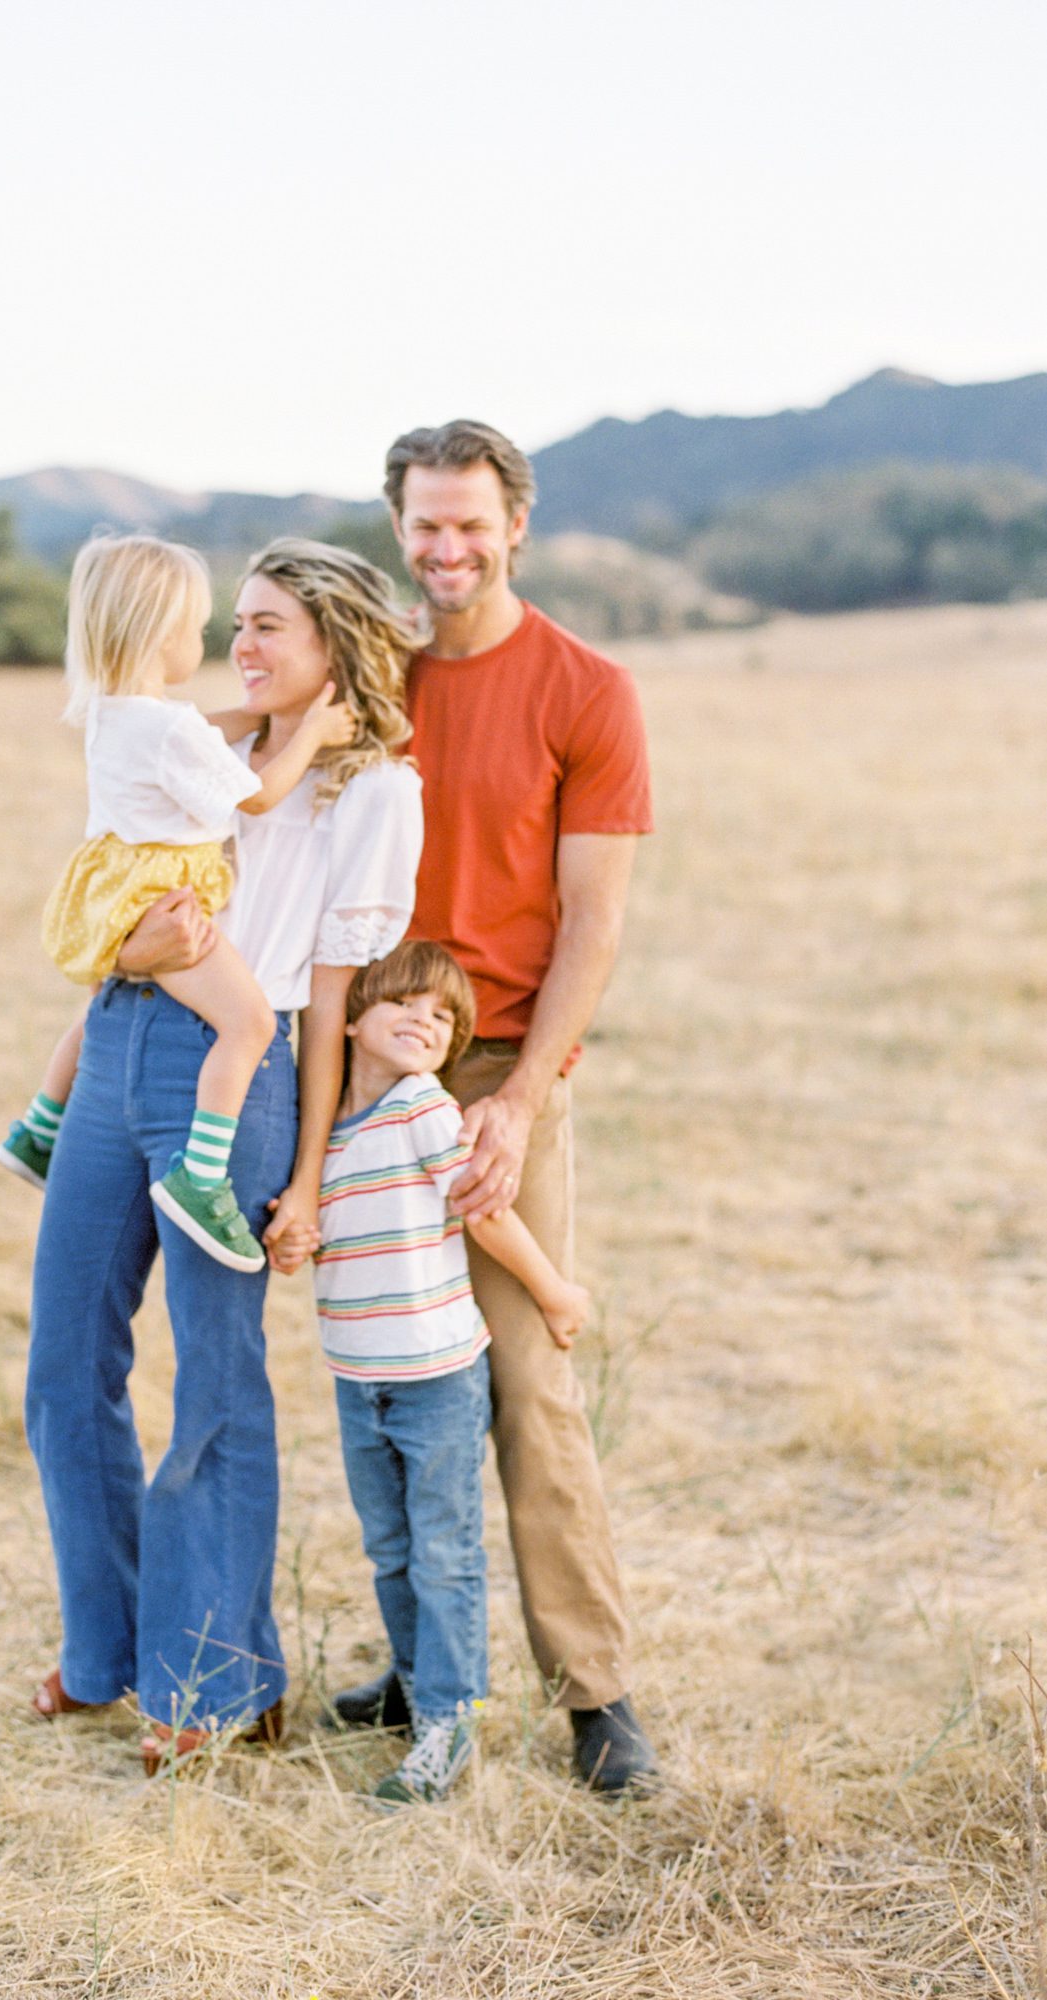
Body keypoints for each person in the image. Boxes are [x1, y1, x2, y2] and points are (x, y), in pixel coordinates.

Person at [23, 537, 423, 1773]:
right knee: (61, 1367)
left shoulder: (368, 791)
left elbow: (327, 990)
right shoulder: (191, 745)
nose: (242, 647)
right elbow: (120, 916)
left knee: (213, 1382)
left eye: (270, 629)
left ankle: (219, 1677)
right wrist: (90, 1022)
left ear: (333, 649)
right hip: (122, 1045)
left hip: (238, 1087)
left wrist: (304, 1176)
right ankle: (108, 1652)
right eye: (235, 622)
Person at [325, 421, 660, 1795]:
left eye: (471, 523)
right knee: (392, 1374)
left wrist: (521, 1099)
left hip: (502, 1066)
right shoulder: (375, 680)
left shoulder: (588, 689)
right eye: (424, 524)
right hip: (363, 1071)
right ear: (397, 526)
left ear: (516, 525)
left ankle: (598, 1698)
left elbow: (594, 920)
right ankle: (421, 1663)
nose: (447, 548)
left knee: (525, 1380)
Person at [0, 532, 352, 1271]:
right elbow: (255, 797)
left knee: (97, 1005)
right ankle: (201, 1175)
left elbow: (194, 735)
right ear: (161, 636)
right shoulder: (170, 728)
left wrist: (249, 720)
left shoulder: (111, 712)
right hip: (168, 898)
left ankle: (38, 1125)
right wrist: (311, 732)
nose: (204, 643)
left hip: (111, 888)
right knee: (248, 1023)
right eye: (197, 629)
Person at [317, 941, 589, 1804]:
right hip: (357, 1377)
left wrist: (553, 1293)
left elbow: (488, 1216)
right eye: (402, 1002)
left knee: (441, 1550)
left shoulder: (424, 1111)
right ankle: (409, 1682)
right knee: (390, 1548)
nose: (422, 1022)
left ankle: (446, 1720)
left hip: (434, 1374)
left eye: (443, 1018)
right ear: (351, 1018)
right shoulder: (324, 1128)